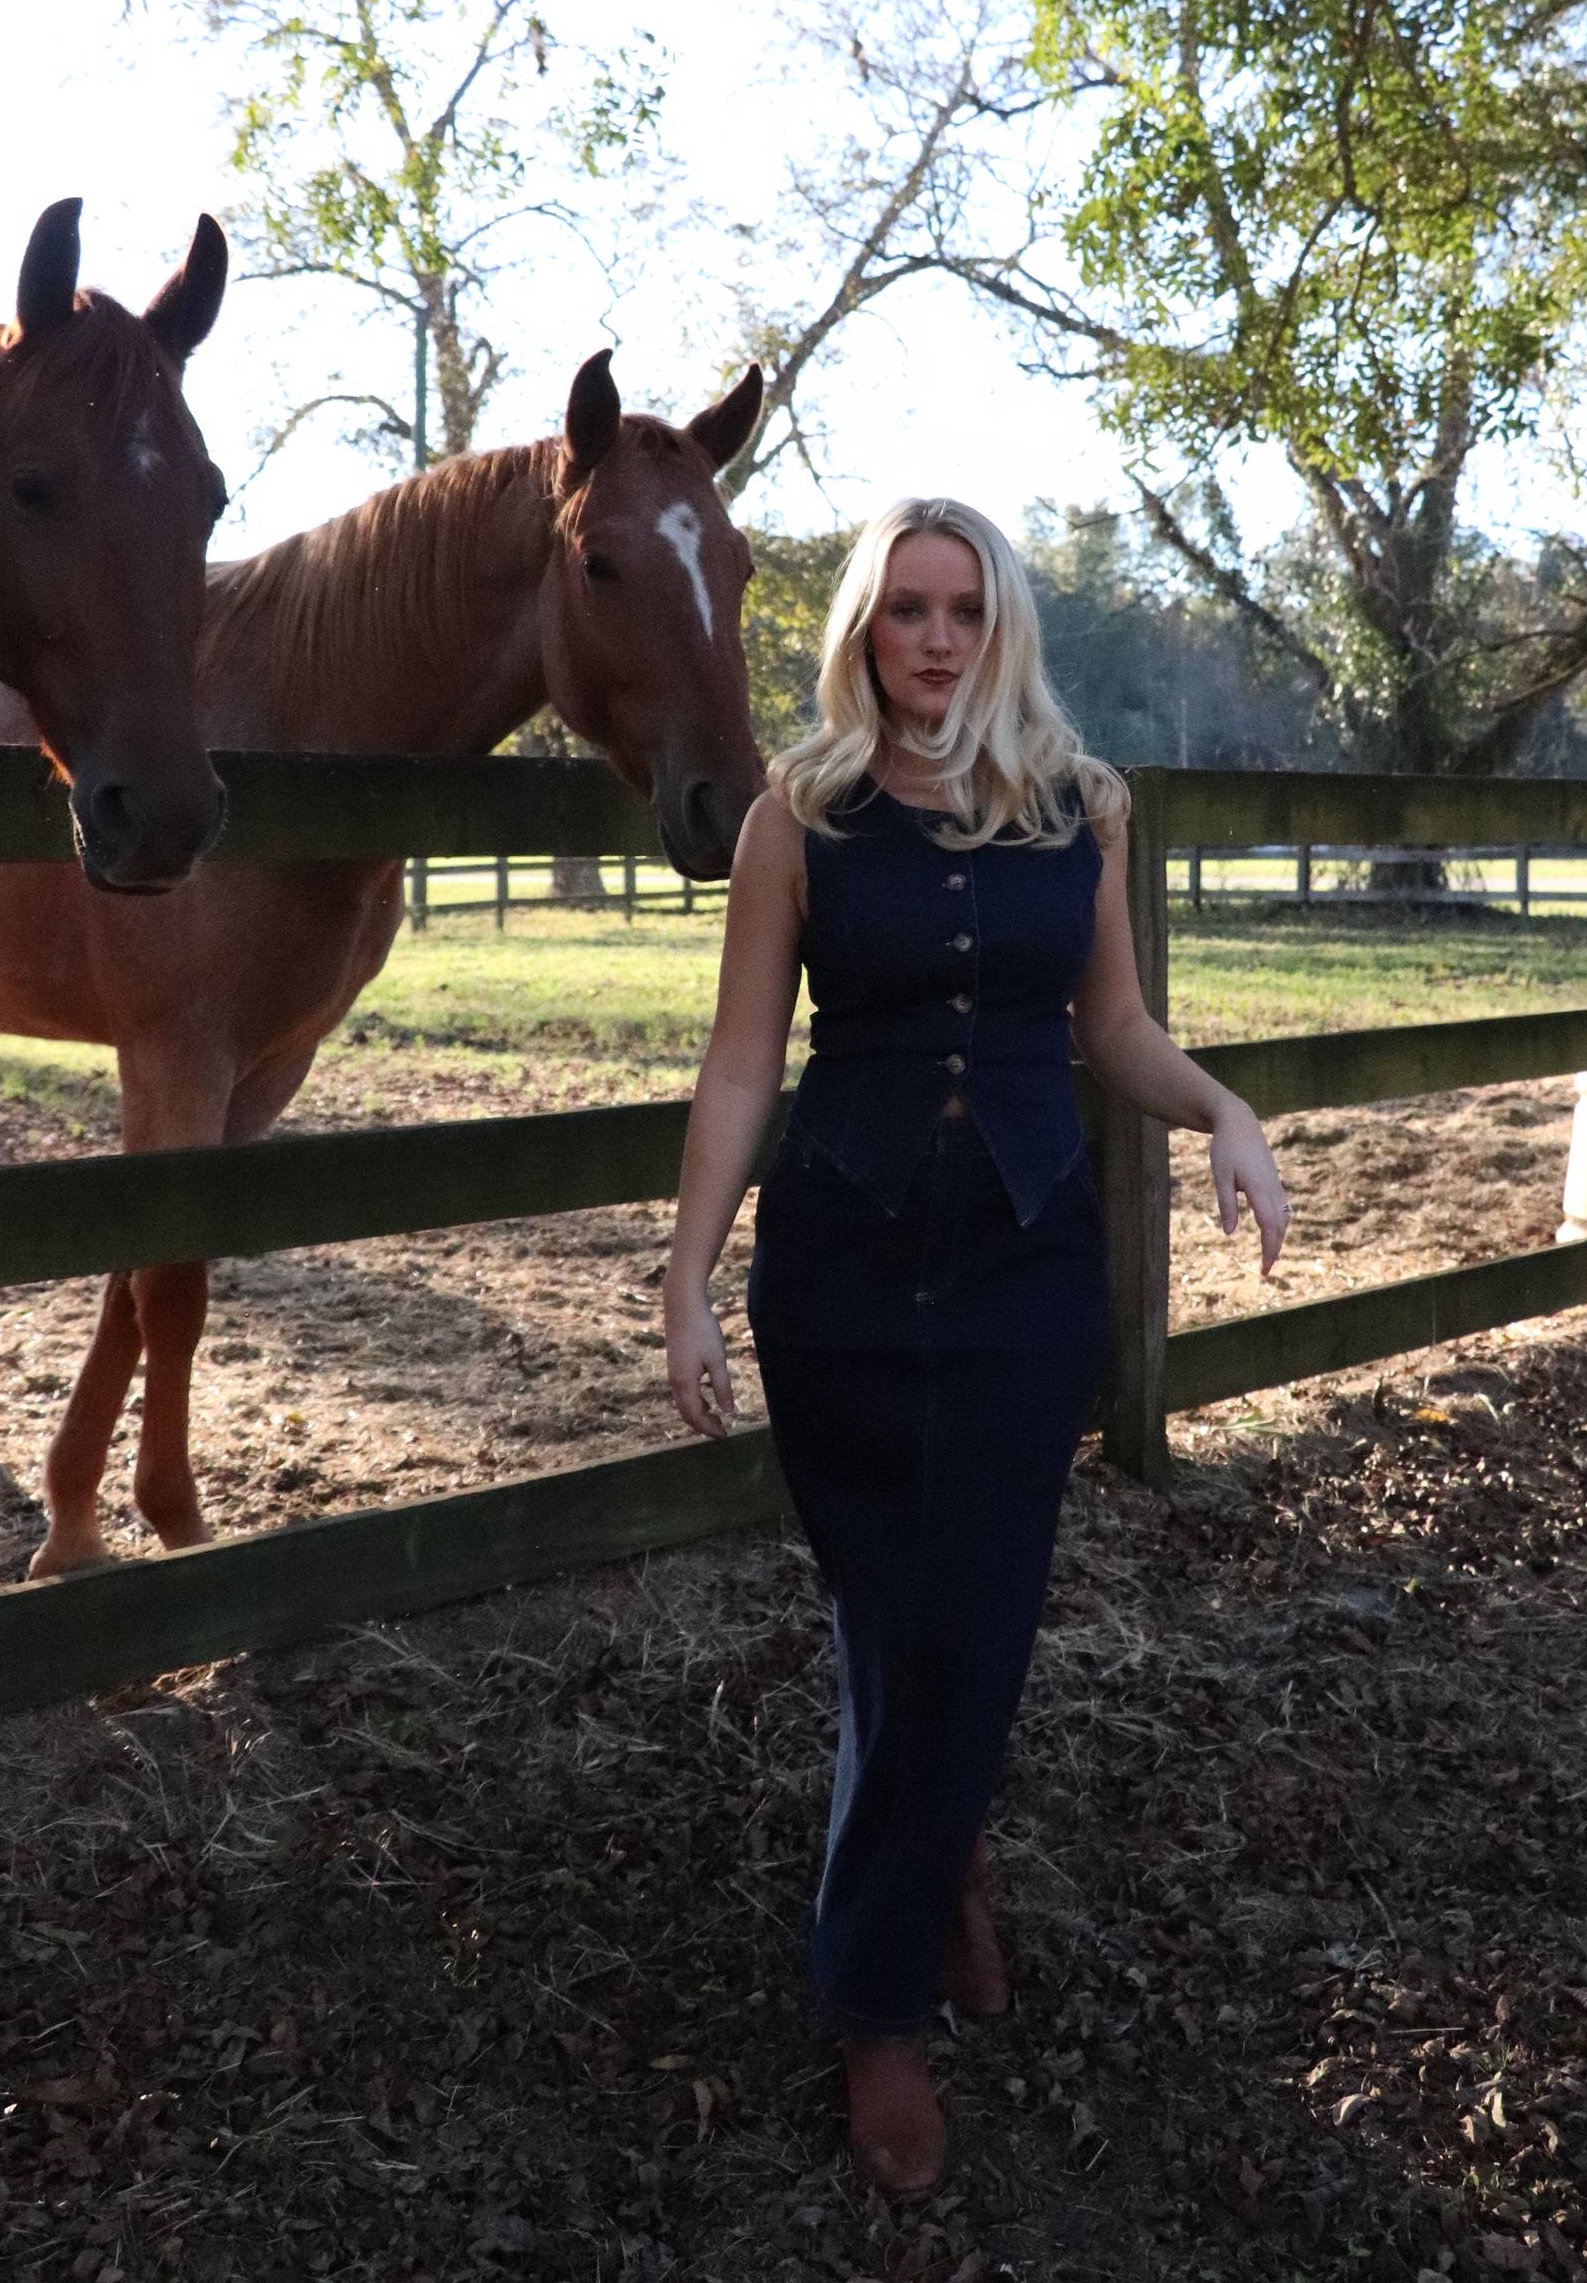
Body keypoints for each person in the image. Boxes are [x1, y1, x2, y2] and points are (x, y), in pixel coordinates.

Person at [661, 496, 1288, 2195]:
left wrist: (1224, 1107)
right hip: (843, 1278)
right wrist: (686, 1275)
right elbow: (738, 1070)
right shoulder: (796, 821)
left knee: (980, 1617)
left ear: (1000, 624)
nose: (934, 638)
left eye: (962, 610)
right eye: (905, 610)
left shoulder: (1087, 809)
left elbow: (1119, 1030)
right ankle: (888, 1988)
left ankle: (911, 1895)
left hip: (1023, 1277)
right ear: (865, 628)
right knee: (888, 1618)